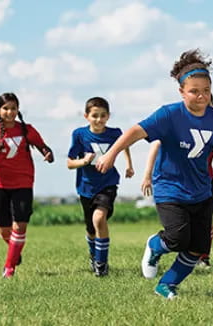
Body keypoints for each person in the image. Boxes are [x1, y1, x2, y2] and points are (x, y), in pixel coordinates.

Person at [96, 49, 213, 299]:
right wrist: (111, 154)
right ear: (181, 92)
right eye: (194, 91)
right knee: (177, 238)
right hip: (170, 187)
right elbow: (135, 131)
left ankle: (167, 285)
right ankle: (155, 245)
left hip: (201, 191)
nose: (201, 96)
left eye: (206, 90)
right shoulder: (169, 114)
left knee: (198, 247)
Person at [0, 92, 54, 278]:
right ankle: (14, 251)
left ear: (18, 110)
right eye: (5, 108)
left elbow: (44, 147)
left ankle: (9, 268)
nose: (10, 112)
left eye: (13, 108)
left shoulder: (27, 130)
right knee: (4, 231)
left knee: (20, 226)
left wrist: (47, 154)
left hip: (23, 182)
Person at [67, 97, 134, 277]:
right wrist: (84, 161)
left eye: (103, 115)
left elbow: (124, 145)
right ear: (86, 116)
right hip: (86, 187)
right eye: (95, 115)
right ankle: (94, 254)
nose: (99, 119)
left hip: (108, 184)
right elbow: (69, 163)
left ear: (108, 116)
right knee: (90, 229)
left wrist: (129, 165)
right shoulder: (79, 134)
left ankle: (102, 264)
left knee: (99, 219)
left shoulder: (114, 133)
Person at [140, 142, 213, 269]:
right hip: (177, 180)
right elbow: (156, 144)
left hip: (205, 180)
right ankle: (158, 245)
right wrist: (147, 174)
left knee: (206, 220)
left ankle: (202, 257)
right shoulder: (175, 124)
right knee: (180, 232)